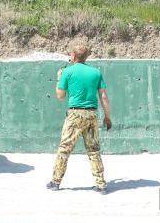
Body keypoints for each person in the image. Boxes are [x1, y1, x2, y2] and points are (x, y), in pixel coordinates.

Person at [46, 43, 111, 194]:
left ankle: (56, 182)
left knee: (64, 149)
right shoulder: (96, 73)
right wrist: (107, 117)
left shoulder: (67, 72)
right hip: (92, 114)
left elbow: (60, 96)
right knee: (94, 150)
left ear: (73, 56)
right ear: (87, 56)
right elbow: (104, 97)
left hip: (75, 114)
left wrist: (59, 79)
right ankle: (101, 184)